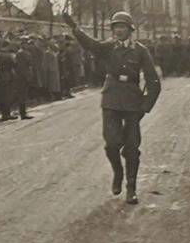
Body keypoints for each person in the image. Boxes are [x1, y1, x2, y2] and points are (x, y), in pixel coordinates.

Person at [63, 10, 161, 204]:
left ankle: (131, 188)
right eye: (115, 27)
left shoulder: (141, 50)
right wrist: (75, 28)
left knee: (132, 146)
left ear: (130, 30)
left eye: (122, 27)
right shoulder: (108, 47)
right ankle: (118, 172)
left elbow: (153, 80)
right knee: (111, 144)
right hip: (111, 99)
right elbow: (91, 45)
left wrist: (145, 105)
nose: (118, 31)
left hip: (133, 101)